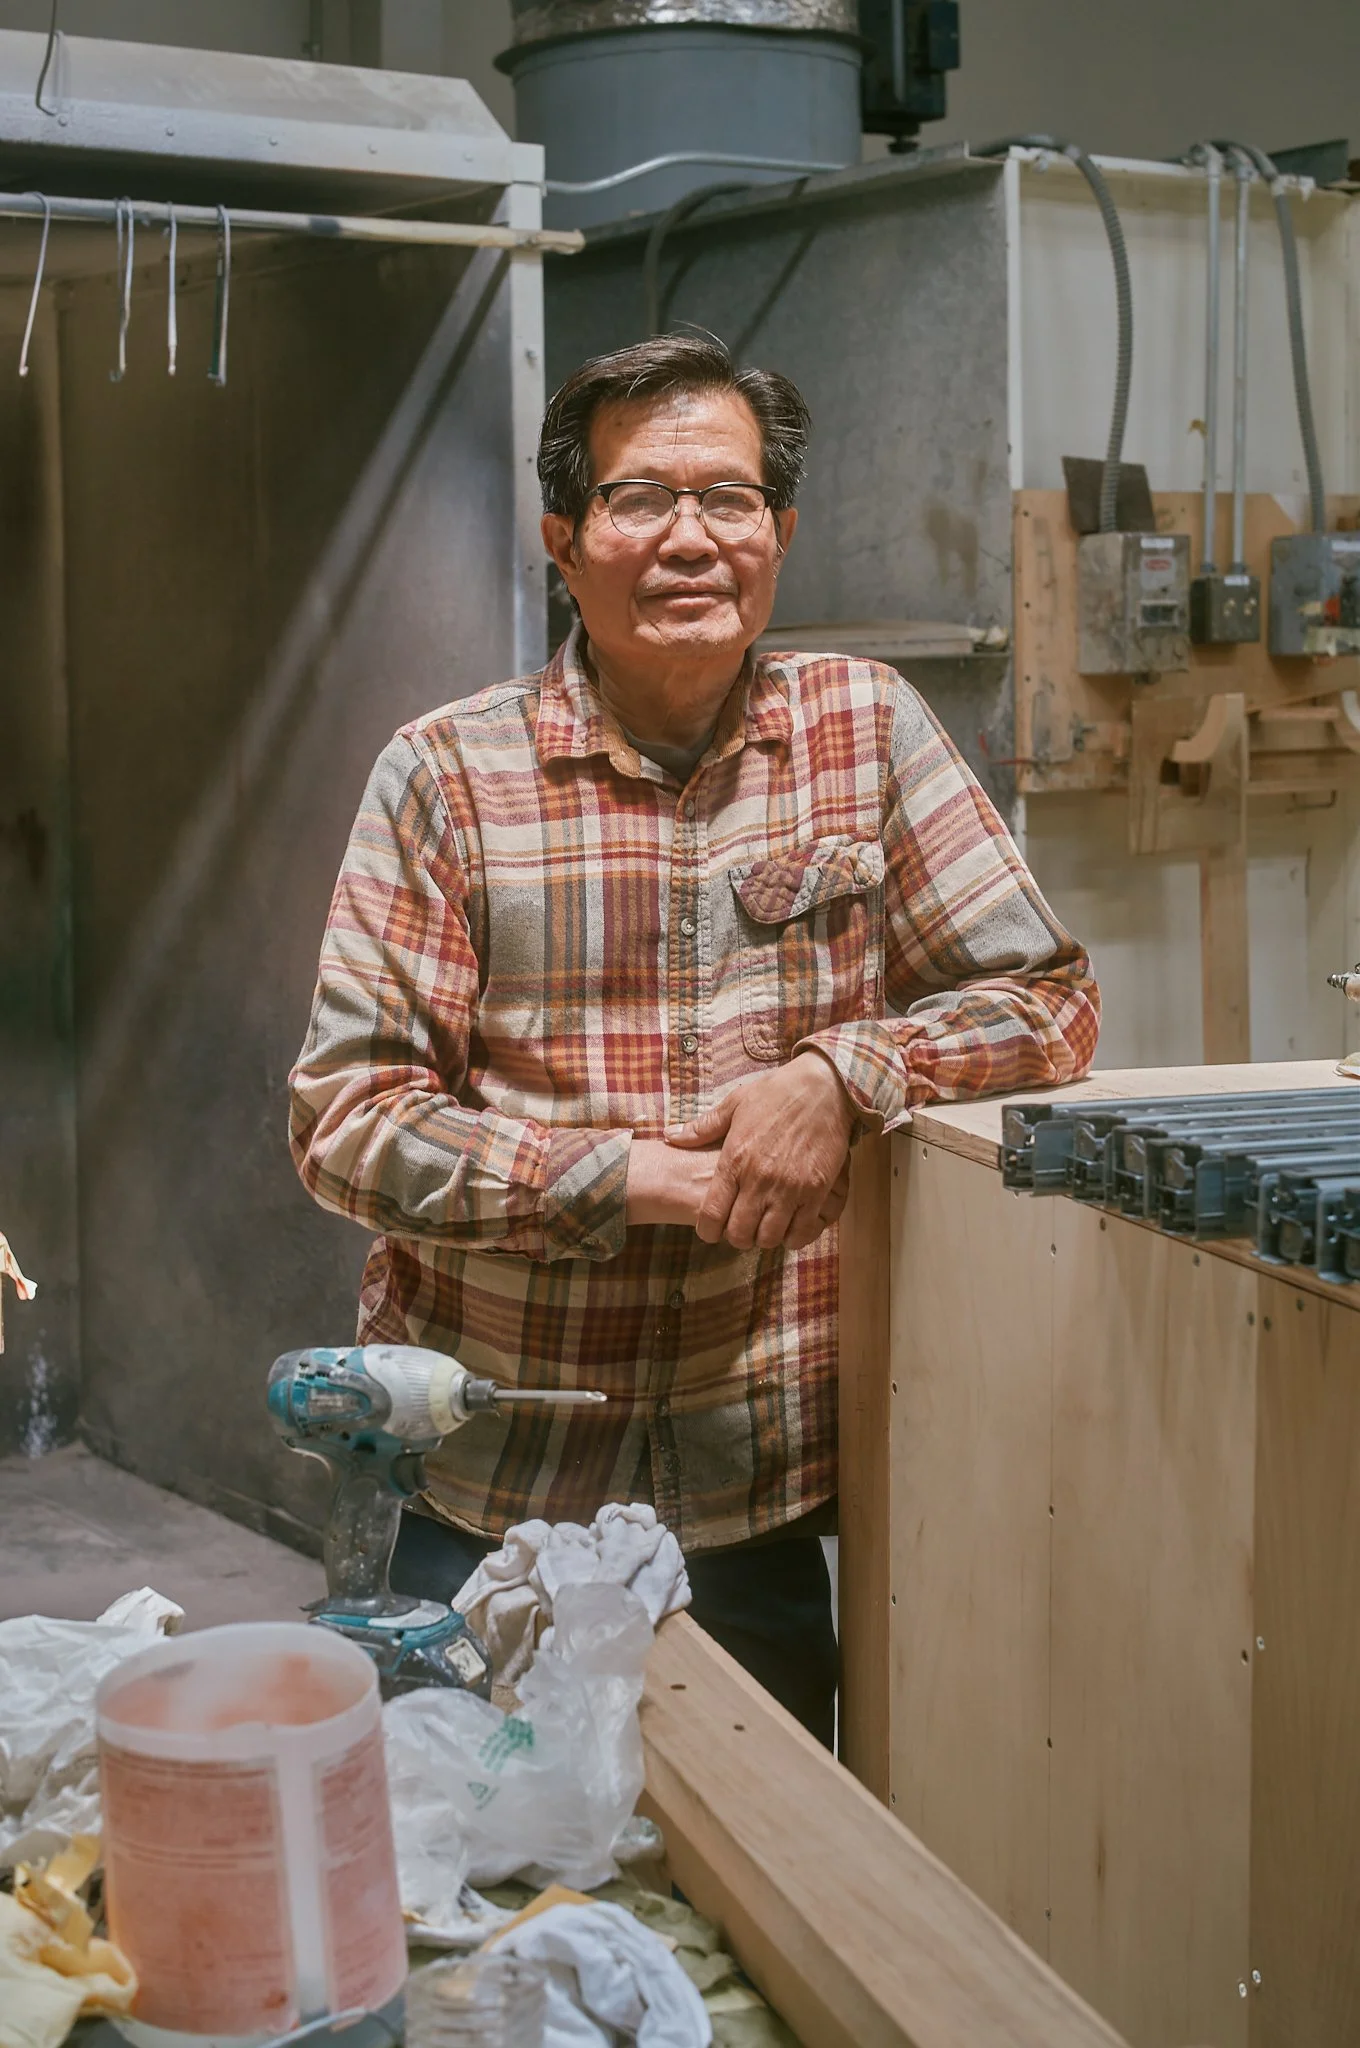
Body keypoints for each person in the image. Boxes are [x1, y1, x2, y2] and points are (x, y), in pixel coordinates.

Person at [289, 333, 1099, 1745]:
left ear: (779, 532)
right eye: (639, 499)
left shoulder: (865, 731)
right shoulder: (449, 776)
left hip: (757, 1495)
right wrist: (633, 1179)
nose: (690, 538)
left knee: (754, 1859)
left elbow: (1047, 999)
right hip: (491, 1496)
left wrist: (842, 1074)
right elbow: (349, 1123)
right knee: (466, 1848)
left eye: (729, 499)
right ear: (565, 539)